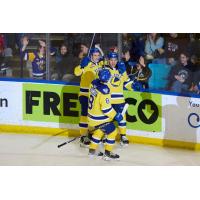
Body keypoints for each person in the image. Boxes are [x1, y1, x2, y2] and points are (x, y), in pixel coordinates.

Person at [88, 69, 123, 160]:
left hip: (91, 117)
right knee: (113, 131)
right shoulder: (104, 90)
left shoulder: (93, 83)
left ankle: (92, 150)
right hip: (99, 119)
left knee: (100, 131)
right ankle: (108, 153)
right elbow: (106, 109)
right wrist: (116, 115)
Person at [74, 47, 104, 147]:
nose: (96, 57)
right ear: (91, 56)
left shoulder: (100, 64)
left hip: (95, 95)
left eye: (98, 55)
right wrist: (81, 65)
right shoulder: (86, 64)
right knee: (84, 114)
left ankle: (91, 133)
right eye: (95, 55)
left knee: (93, 115)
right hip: (85, 94)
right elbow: (76, 72)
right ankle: (83, 136)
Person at [105, 52, 134, 146]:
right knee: (107, 119)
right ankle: (106, 135)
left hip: (119, 100)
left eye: (115, 60)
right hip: (108, 100)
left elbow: (127, 83)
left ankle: (123, 136)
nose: (113, 62)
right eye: (111, 60)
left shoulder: (121, 70)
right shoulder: (104, 70)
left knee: (122, 119)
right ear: (108, 60)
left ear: (117, 60)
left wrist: (134, 86)